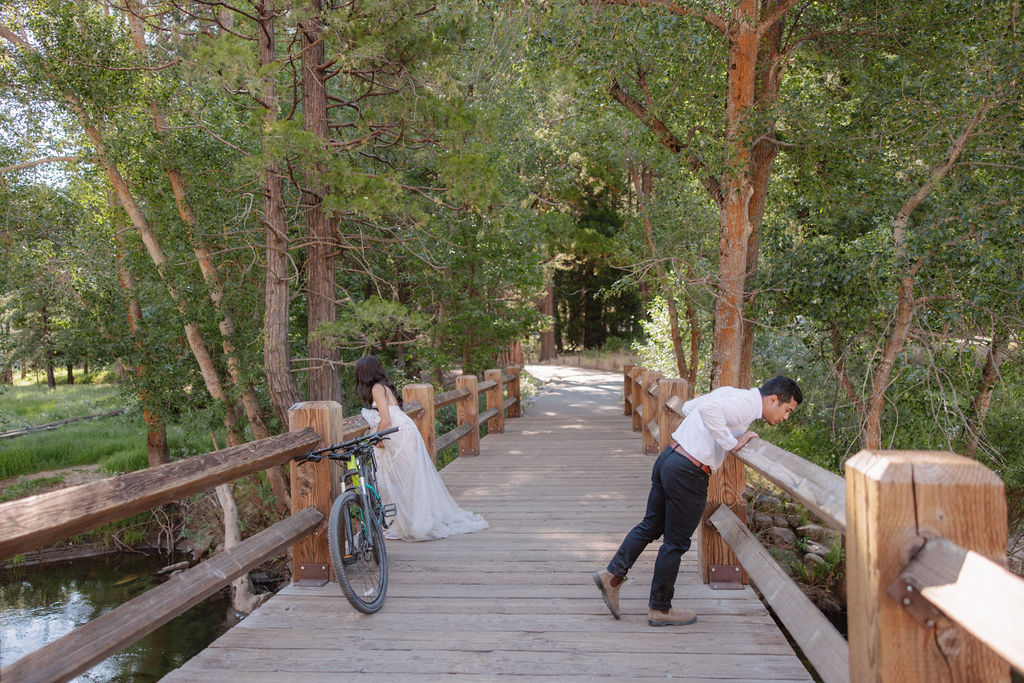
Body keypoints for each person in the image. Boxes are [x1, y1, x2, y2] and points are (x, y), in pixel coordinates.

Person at [593, 376, 802, 626]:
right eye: (787, 410)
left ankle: (612, 576)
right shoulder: (747, 405)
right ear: (773, 399)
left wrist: (731, 433)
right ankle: (660, 609)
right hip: (688, 472)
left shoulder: (733, 393)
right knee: (676, 543)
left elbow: (691, 406)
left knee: (650, 526)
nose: (786, 417)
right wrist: (732, 442)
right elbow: (706, 409)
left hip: (670, 457)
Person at [354, 356, 488, 541]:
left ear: (363, 373)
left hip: (397, 434)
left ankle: (415, 525)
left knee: (404, 482)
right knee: (408, 480)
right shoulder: (384, 386)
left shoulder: (376, 389)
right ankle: (408, 523)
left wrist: (378, 439)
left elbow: (385, 418)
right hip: (403, 430)